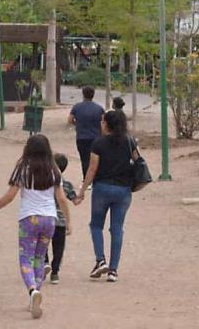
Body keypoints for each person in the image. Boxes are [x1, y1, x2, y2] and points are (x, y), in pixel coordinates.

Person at [0, 134, 72, 319]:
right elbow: (62, 198)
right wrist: (69, 221)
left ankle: (32, 291)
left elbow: (10, 196)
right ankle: (36, 294)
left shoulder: (23, 168)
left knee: (26, 258)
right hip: (50, 219)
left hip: (29, 218)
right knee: (40, 257)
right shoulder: (54, 169)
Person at [75, 110, 140, 283]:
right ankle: (113, 270)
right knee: (117, 228)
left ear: (107, 124)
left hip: (102, 188)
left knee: (96, 225)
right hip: (123, 190)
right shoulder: (129, 142)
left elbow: (92, 169)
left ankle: (100, 260)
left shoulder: (98, 143)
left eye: (103, 122)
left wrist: (82, 191)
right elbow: (138, 161)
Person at [44, 153, 77, 285]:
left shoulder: (45, 181)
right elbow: (75, 200)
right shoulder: (67, 184)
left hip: (47, 216)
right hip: (61, 220)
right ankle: (55, 272)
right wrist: (80, 195)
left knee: (43, 242)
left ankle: (45, 261)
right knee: (58, 247)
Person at [68, 86, 105, 178]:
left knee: (84, 159)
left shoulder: (77, 107)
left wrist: (77, 124)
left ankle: (86, 178)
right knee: (96, 158)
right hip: (96, 137)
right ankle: (96, 177)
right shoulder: (99, 108)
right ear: (93, 95)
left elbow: (70, 119)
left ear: (83, 94)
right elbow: (104, 123)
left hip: (82, 137)